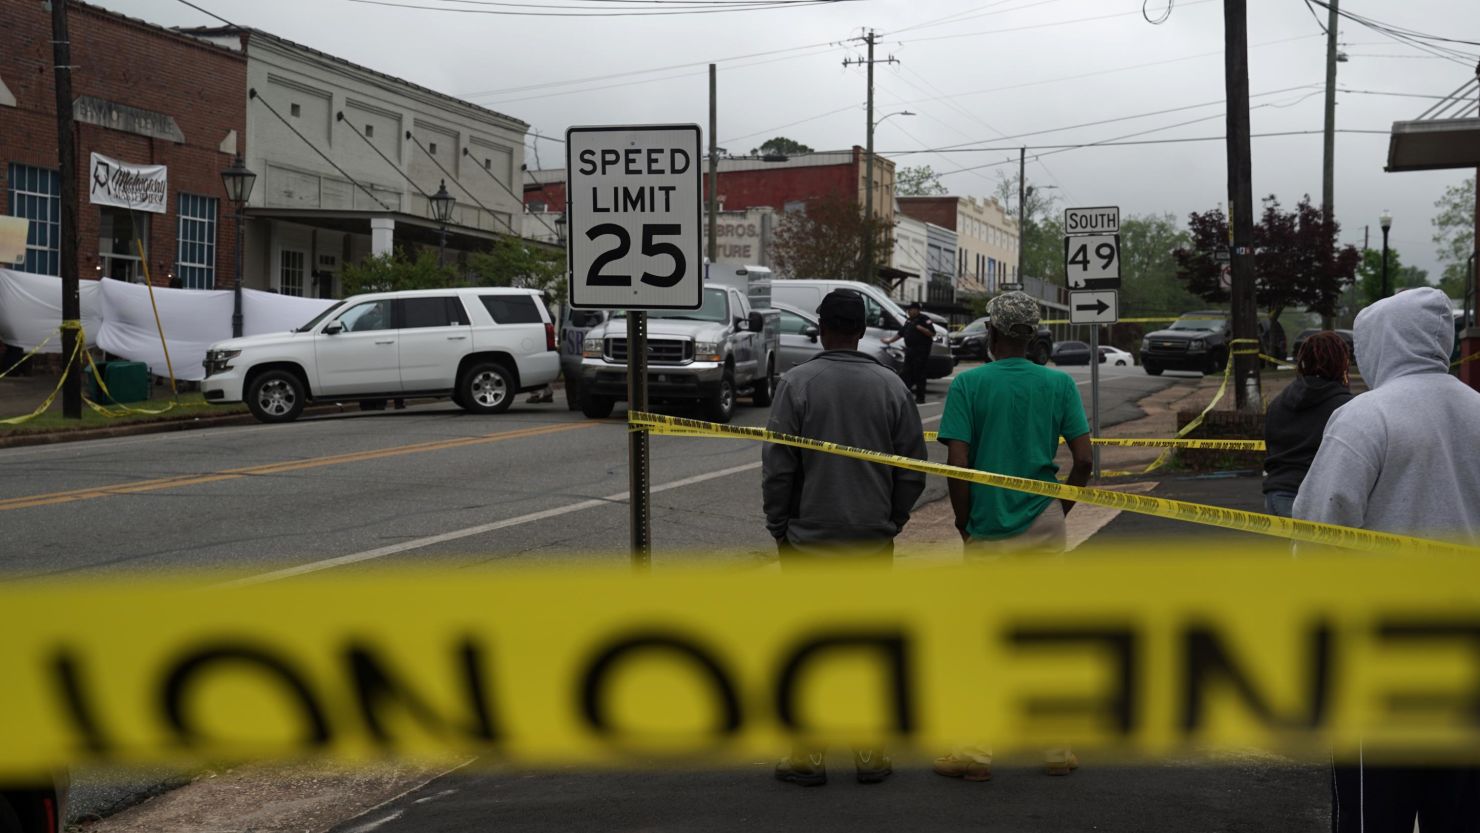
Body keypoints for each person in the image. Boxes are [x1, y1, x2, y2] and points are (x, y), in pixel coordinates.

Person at [1294, 288, 1480, 832]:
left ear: (1380, 344)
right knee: (1462, 809)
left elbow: (1315, 535)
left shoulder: (1365, 418)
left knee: (1374, 810)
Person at [762, 288, 928, 787]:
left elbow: (778, 468)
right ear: (860, 330)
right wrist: (891, 520)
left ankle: (809, 756)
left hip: (809, 539)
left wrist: (779, 527)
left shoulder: (796, 384)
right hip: (870, 539)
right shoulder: (891, 386)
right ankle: (870, 754)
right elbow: (912, 469)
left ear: (821, 327)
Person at [931, 290, 1094, 782]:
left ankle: (976, 754)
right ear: (1034, 337)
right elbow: (1084, 460)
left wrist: (965, 523)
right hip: (1044, 523)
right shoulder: (1059, 384)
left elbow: (957, 465)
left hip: (989, 524)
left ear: (993, 334)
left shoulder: (969, 385)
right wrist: (1057, 509)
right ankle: (1057, 748)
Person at [1261, 331, 1354, 517]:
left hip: (1277, 493)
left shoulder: (1278, 403)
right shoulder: (1346, 407)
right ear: (1341, 362)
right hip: (1317, 497)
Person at [883, 301, 936, 404]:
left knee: (919, 374)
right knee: (906, 372)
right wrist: (889, 340)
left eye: (911, 310)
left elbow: (932, 333)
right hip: (910, 350)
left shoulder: (924, 319)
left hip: (921, 351)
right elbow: (901, 333)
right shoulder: (908, 321)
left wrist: (920, 328)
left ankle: (920, 398)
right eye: (908, 310)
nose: (909, 312)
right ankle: (903, 395)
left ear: (916, 310)